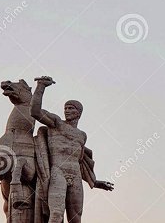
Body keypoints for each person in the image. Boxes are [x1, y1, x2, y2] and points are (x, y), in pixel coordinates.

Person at [31, 76, 113, 223]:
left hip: (75, 175)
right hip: (58, 172)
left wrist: (95, 182)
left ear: (79, 113)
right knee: (56, 214)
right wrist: (41, 87)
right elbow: (35, 112)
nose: (67, 111)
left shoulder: (82, 136)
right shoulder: (56, 123)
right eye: (65, 108)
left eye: (71, 108)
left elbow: (81, 163)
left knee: (76, 218)